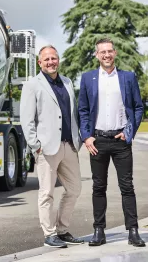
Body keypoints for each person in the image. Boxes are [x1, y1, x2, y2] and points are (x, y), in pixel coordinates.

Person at [78, 37, 145, 247]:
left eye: (109, 51)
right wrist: (87, 136)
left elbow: (137, 107)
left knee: (127, 187)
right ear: (97, 55)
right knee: (98, 187)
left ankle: (133, 231)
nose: (106, 55)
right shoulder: (88, 78)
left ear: (115, 53)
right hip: (97, 141)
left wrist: (129, 131)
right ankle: (99, 231)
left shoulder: (127, 77)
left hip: (121, 140)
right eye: (102, 52)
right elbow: (83, 110)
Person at [20, 45, 84, 248]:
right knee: (46, 192)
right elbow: (27, 119)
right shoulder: (32, 85)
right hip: (46, 148)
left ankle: (63, 230)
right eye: (46, 59)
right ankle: (49, 234)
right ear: (40, 63)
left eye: (54, 58)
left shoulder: (67, 82)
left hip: (69, 146)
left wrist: (78, 139)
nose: (50, 62)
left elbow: (73, 114)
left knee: (74, 189)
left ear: (58, 60)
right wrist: (35, 145)